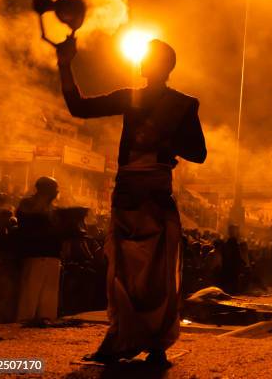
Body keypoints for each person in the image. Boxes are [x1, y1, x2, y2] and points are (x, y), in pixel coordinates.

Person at [56, 36, 206, 365]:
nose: (142, 61)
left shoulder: (183, 105)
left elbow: (199, 153)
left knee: (157, 271)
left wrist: (164, 139)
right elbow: (78, 108)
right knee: (123, 269)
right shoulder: (130, 97)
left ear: (163, 66)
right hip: (128, 189)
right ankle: (123, 336)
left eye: (149, 57)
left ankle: (155, 343)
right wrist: (65, 65)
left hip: (155, 189)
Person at [15, 177, 62, 324]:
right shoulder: (27, 203)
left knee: (48, 301)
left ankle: (45, 326)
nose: (57, 192)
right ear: (44, 190)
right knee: (30, 298)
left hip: (52, 256)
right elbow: (29, 225)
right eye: (54, 189)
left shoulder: (53, 207)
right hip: (35, 255)